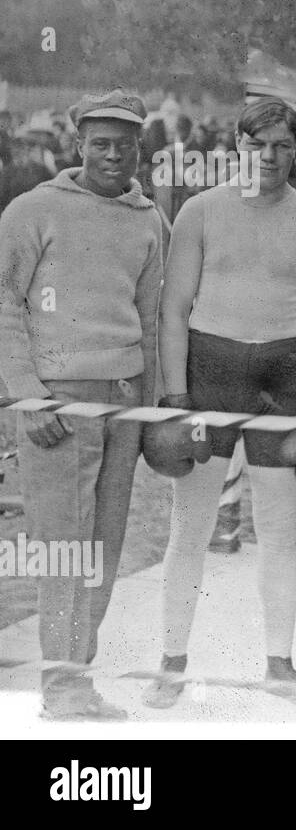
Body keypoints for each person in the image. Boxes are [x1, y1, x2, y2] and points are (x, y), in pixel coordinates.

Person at [143, 97, 296, 710]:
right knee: (191, 529)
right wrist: (177, 396)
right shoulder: (201, 211)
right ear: (238, 146)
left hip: (282, 379)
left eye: (284, 145)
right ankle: (171, 664)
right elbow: (172, 311)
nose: (272, 157)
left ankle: (280, 665)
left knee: (279, 533)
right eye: (259, 145)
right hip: (211, 374)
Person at [0, 90, 164, 720]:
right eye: (101, 142)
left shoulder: (148, 218)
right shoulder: (31, 210)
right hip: (59, 405)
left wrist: (149, 412)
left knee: (104, 550)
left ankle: (76, 679)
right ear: (78, 146)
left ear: (138, 148)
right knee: (65, 550)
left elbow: (149, 319)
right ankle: (63, 689)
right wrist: (30, 398)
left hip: (123, 401)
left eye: (125, 143)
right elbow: (6, 304)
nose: (113, 154)